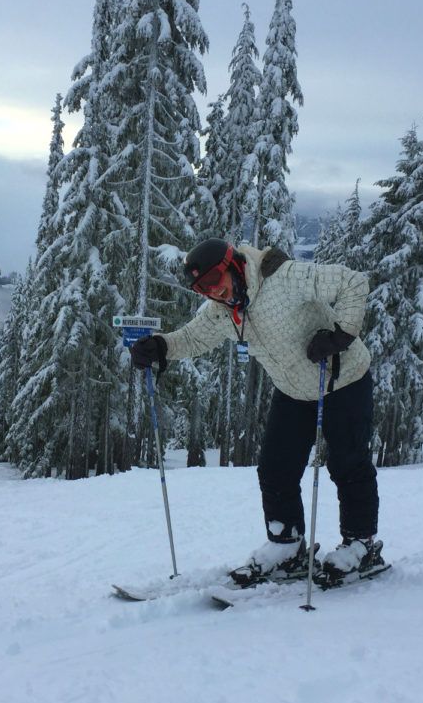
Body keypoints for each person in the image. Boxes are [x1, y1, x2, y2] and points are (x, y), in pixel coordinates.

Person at [129, 238, 385, 585]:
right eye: (203, 290)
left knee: (347, 464)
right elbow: (194, 337)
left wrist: (341, 335)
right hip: (293, 390)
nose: (214, 294)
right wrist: (160, 346)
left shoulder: (285, 279)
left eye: (216, 282)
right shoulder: (224, 311)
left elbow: (353, 282)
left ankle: (361, 544)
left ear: (233, 265)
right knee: (275, 468)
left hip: (343, 380)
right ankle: (287, 545)